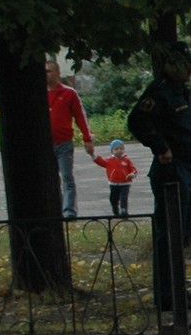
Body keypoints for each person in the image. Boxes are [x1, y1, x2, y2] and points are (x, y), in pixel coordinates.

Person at [127, 41, 191, 313]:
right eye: (185, 66)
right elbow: (137, 121)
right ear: (171, 66)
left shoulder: (180, 91)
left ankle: (176, 290)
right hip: (171, 169)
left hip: (186, 166)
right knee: (168, 232)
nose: (190, 71)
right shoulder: (159, 93)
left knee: (179, 231)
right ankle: (168, 294)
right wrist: (161, 148)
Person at [45, 59, 95, 219]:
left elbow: (80, 116)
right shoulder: (39, 94)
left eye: (49, 71)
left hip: (63, 143)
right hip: (45, 145)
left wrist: (87, 139)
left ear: (58, 73)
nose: (46, 74)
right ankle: (54, 210)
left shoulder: (68, 93)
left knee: (67, 177)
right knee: (50, 180)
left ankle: (69, 211)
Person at [93, 139, 138, 217]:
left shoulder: (127, 160)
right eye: (116, 149)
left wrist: (132, 174)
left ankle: (124, 211)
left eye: (121, 148)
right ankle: (115, 209)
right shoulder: (109, 160)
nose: (119, 151)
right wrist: (93, 155)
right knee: (113, 199)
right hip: (113, 184)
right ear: (112, 150)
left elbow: (133, 169)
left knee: (123, 198)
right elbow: (100, 161)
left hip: (125, 183)